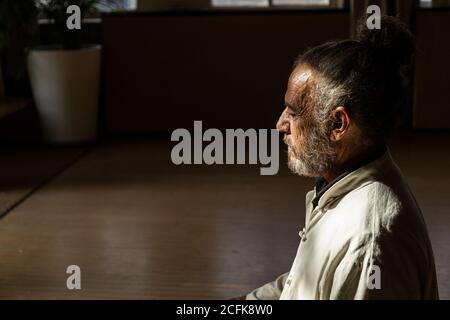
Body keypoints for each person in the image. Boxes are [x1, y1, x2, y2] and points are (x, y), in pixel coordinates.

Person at [245, 16, 439, 300]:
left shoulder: (369, 245)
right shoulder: (342, 186)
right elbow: (306, 282)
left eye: (293, 111)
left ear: (338, 124)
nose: (280, 124)